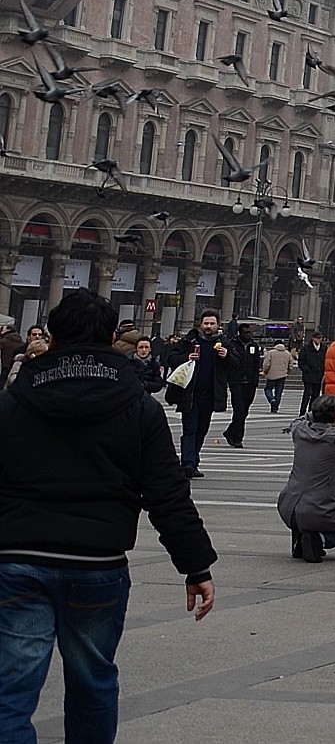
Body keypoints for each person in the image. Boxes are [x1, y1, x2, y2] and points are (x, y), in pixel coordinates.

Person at [0, 289, 216, 744]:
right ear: (109, 338)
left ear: (53, 338)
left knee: (11, 691)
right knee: (93, 681)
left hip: (18, 557)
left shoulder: (14, 402)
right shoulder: (137, 405)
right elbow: (167, 492)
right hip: (97, 563)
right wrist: (195, 564)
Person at [277, 394, 335, 562]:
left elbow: (301, 418)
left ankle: (300, 541)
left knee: (304, 514)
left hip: (287, 505)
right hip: (320, 509)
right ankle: (319, 539)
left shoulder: (299, 430)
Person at [170, 310, 230, 476]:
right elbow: (171, 358)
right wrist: (187, 356)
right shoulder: (190, 340)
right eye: (206, 323)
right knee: (190, 429)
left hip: (210, 394)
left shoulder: (223, 342)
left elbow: (236, 364)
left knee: (202, 429)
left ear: (218, 325)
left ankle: (193, 461)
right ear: (200, 325)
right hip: (190, 393)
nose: (209, 326)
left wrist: (227, 356)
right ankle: (187, 464)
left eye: (212, 323)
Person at [220, 323, 264, 449]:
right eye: (246, 332)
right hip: (236, 381)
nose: (249, 335)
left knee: (244, 410)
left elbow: (256, 364)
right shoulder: (233, 345)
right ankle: (238, 438)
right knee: (238, 410)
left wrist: (255, 380)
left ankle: (230, 432)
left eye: (250, 332)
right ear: (240, 333)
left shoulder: (254, 346)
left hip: (250, 382)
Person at [260, 337, 293, 415]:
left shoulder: (271, 353)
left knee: (268, 389)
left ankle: (272, 400)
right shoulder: (287, 353)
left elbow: (266, 364)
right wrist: (287, 371)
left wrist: (265, 371)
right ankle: (275, 407)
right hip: (282, 375)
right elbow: (290, 365)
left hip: (271, 374)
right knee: (279, 391)